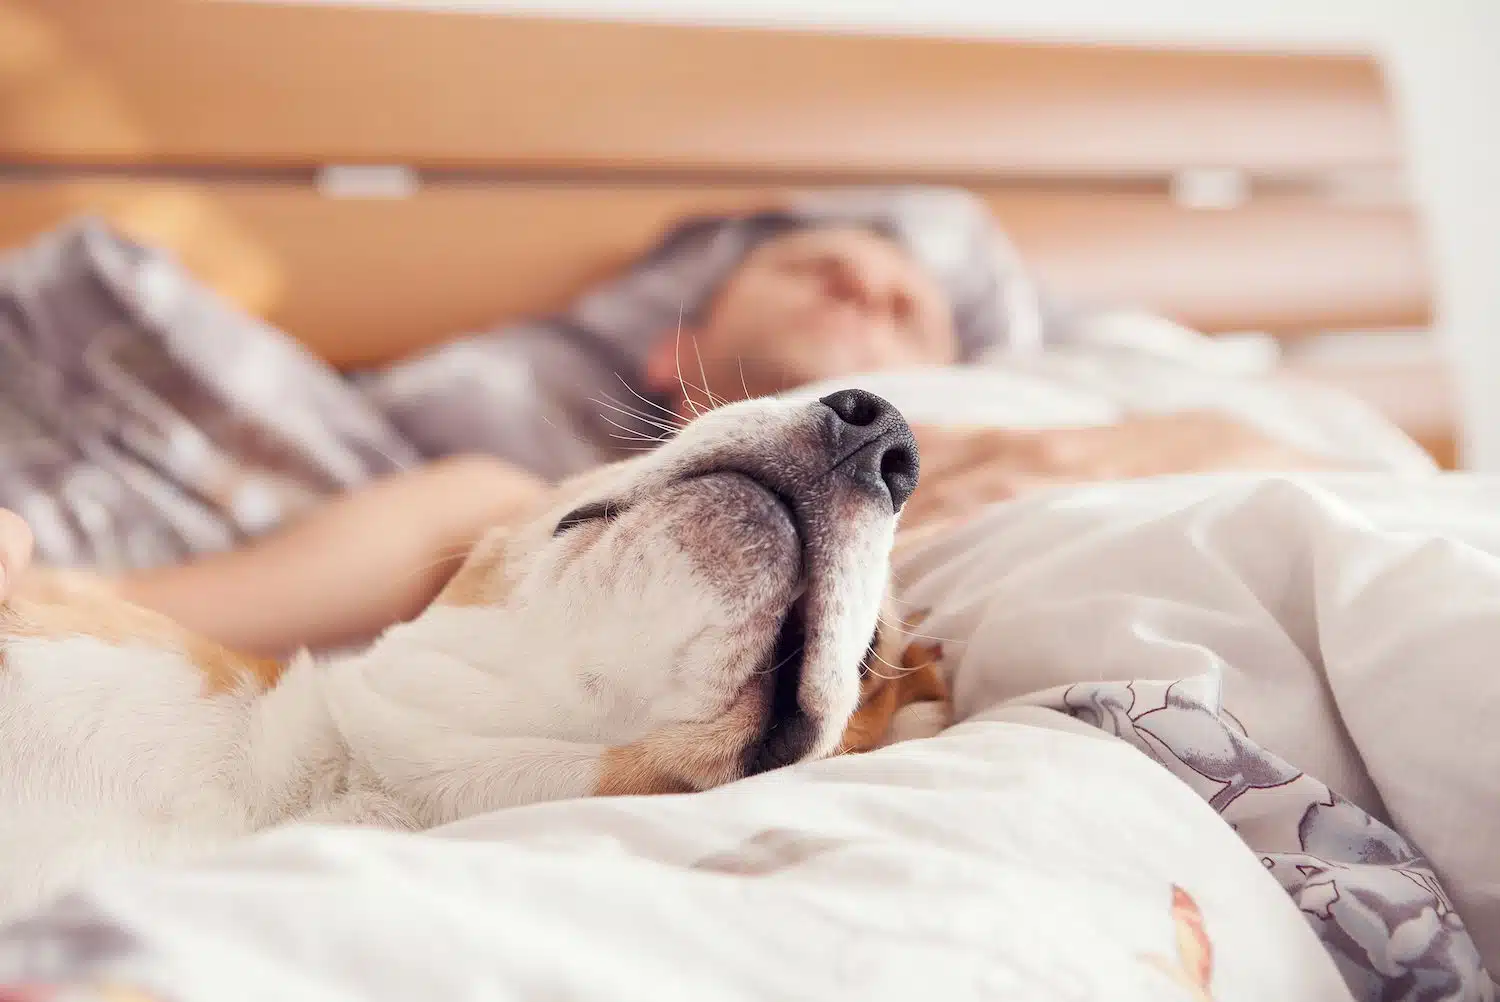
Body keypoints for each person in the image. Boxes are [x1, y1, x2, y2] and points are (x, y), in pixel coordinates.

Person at [0, 193, 1342, 653]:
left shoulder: (1075, 391)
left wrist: (1036, 452)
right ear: (674, 344)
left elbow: (1291, 452)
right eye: (816, 270)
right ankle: (70, 605)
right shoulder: (542, 478)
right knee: (483, 494)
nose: (869, 285)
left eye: (907, 305)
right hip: (621, 538)